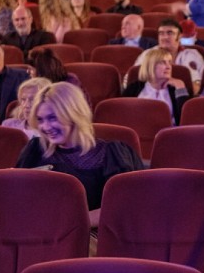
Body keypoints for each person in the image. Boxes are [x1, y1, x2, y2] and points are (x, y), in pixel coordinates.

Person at [15, 82, 144, 226]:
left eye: (53, 118)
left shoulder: (111, 154)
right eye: (40, 119)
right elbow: (20, 202)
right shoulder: (35, 151)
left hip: (95, 238)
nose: (45, 127)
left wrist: (71, 224)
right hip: (42, 237)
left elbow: (124, 208)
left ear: (73, 115)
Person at [134, 18, 204, 93]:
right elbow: (133, 79)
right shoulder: (147, 54)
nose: (165, 37)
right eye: (161, 33)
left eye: (170, 33)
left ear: (179, 36)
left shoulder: (192, 55)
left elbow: (199, 86)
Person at [123, 48, 190, 125]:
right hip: (139, 133)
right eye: (162, 62)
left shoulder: (176, 89)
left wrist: (180, 88)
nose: (168, 67)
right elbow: (123, 114)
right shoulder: (134, 88)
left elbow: (187, 120)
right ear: (150, 65)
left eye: (169, 62)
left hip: (169, 134)